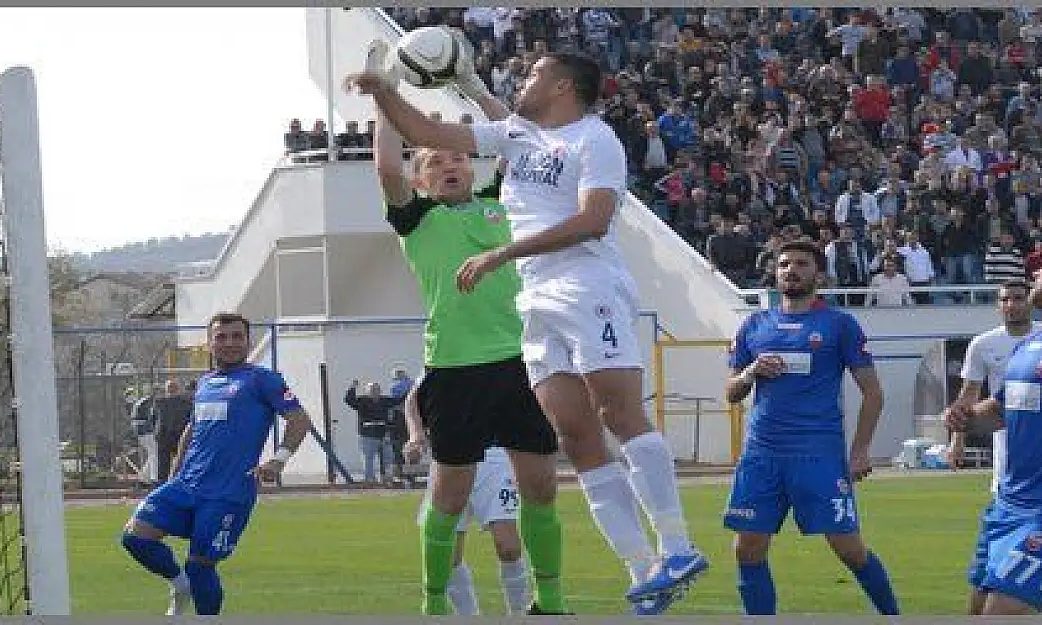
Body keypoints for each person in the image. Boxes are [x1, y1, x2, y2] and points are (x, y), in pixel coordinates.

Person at [346, 45, 706, 613]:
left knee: (611, 416)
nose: (525, 76)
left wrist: (500, 254)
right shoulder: (467, 179)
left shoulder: (593, 139)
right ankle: (644, 568)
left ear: (563, 86)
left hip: (583, 288)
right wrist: (386, 89)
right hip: (507, 328)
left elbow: (594, 219)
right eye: (436, 162)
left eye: (537, 72)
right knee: (578, 439)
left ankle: (676, 545)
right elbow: (427, 129)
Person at [363, 37, 570, 615]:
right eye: (434, 161)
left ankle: (549, 599)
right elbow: (386, 164)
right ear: (421, 180)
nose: (449, 165)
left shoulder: (499, 204)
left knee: (542, 486)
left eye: (455, 157)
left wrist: (474, 90)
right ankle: (434, 602)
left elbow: (522, 141)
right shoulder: (418, 222)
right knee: (448, 497)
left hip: (521, 363)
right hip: (455, 370)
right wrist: (389, 95)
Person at [723, 241, 900, 615]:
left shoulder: (838, 324)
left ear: (818, 274)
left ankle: (893, 616)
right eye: (784, 264)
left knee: (849, 549)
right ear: (775, 272)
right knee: (747, 548)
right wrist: (751, 372)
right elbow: (731, 393)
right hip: (762, 455)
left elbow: (873, 393)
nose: (791, 269)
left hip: (817, 456)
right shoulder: (755, 325)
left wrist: (860, 451)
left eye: (801, 264)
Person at [119, 312, 312, 615]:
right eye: (221, 337)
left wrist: (278, 460)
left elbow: (299, 420)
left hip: (228, 493)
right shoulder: (206, 382)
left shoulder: (263, 379)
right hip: (185, 485)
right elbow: (192, 430)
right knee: (134, 537)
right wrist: (173, 475)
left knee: (200, 567)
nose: (230, 343)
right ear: (210, 343)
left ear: (248, 341)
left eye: (237, 336)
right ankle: (178, 583)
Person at [945, 269, 1042, 615]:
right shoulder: (1027, 347)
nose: (1036, 275)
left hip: (1038, 511)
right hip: (1008, 502)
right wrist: (966, 419)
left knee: (998, 613)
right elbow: (1001, 410)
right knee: (977, 607)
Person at [403, 377, 530, 616]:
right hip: (450, 455)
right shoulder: (447, 348)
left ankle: (519, 613)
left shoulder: (503, 349)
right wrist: (416, 435)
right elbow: (413, 399)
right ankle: (469, 615)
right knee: (450, 555)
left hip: (496, 457)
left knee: (508, 546)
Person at [344, 380, 402, 484]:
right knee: (368, 459)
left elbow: (400, 401)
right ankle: (370, 479)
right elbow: (349, 400)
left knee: (388, 458)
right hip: (367, 435)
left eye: (377, 389)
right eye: (372, 390)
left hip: (384, 435)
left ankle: (387, 478)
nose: (375, 392)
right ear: (367, 391)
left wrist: (412, 388)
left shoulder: (385, 400)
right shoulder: (362, 401)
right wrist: (353, 387)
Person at [154, 379, 193, 483]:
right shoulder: (186, 403)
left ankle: (163, 484)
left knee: (164, 464)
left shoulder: (159, 403)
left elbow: (152, 418)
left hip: (167, 436)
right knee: (179, 461)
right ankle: (178, 482)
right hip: (176, 435)